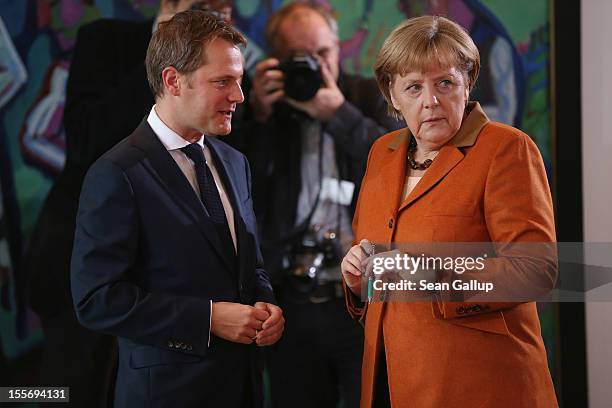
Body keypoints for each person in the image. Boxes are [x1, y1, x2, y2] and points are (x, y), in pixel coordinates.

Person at [23, 1, 243, 405]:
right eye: (205, 6)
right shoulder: (106, 41)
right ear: (169, 5)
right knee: (68, 389)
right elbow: (87, 140)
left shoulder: (224, 73)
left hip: (177, 296)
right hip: (84, 255)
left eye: (225, 8)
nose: (216, 16)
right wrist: (163, 52)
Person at [341, 15, 558, 407]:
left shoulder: (506, 148)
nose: (430, 101)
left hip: (479, 386)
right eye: (413, 87)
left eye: (445, 82)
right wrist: (359, 281)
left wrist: (434, 276)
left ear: (468, 81)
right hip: (389, 382)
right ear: (391, 95)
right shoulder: (382, 153)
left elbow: (535, 271)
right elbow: (380, 270)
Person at [70, 10, 283, 407]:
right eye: (223, 82)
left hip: (242, 388)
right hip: (166, 394)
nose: (239, 96)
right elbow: (96, 299)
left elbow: (248, 263)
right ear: (173, 81)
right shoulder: (117, 173)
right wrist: (208, 319)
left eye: (238, 80)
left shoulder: (236, 162)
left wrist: (265, 303)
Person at [246, 3, 403, 408]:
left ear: (338, 49)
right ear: (276, 61)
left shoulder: (366, 96)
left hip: (363, 298)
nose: (314, 67)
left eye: (322, 54)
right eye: (300, 58)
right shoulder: (263, 109)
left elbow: (399, 163)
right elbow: (242, 185)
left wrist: (338, 114)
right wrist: (257, 115)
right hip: (291, 301)